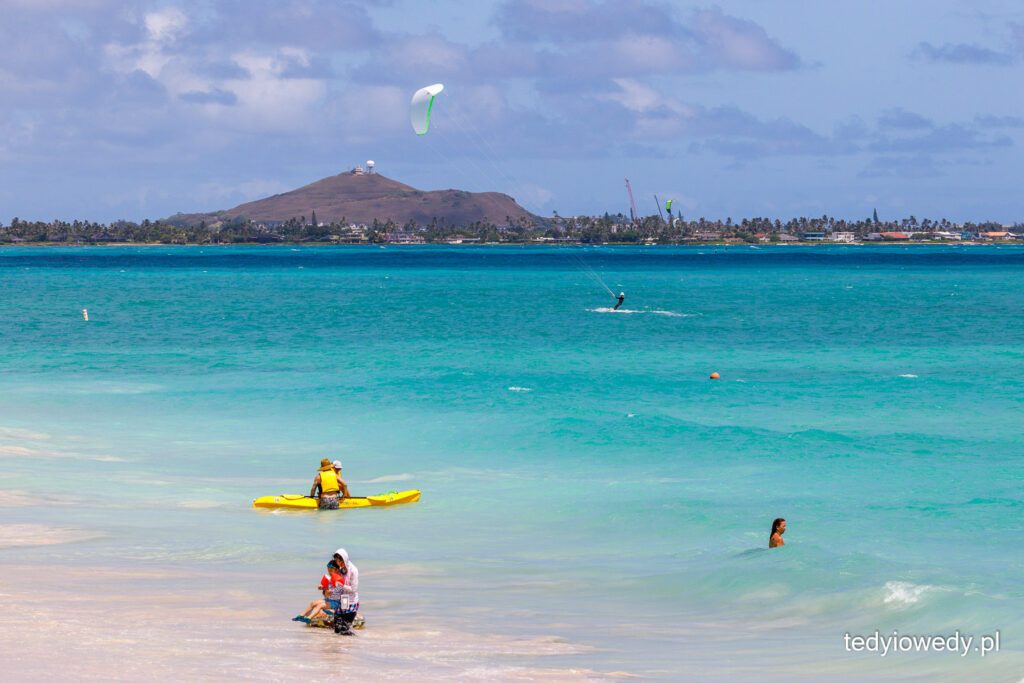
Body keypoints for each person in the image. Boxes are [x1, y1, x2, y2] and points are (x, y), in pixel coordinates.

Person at [331, 547, 360, 635]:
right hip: (342, 600)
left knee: (344, 630)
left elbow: (354, 589)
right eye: (337, 561)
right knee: (337, 630)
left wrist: (342, 586)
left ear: (345, 559)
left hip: (351, 602)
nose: (339, 564)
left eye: (341, 561)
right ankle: (339, 647)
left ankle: (356, 642)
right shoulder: (339, 569)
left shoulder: (353, 570)